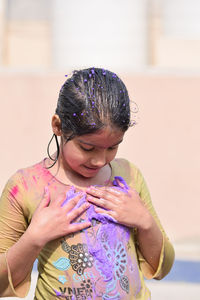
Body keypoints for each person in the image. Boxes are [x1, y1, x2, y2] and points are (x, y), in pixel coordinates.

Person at [0, 67, 174, 300]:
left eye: (113, 147)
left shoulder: (129, 176)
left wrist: (145, 223)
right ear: (58, 126)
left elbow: (162, 267)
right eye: (88, 148)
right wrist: (34, 238)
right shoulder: (26, 187)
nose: (100, 160)